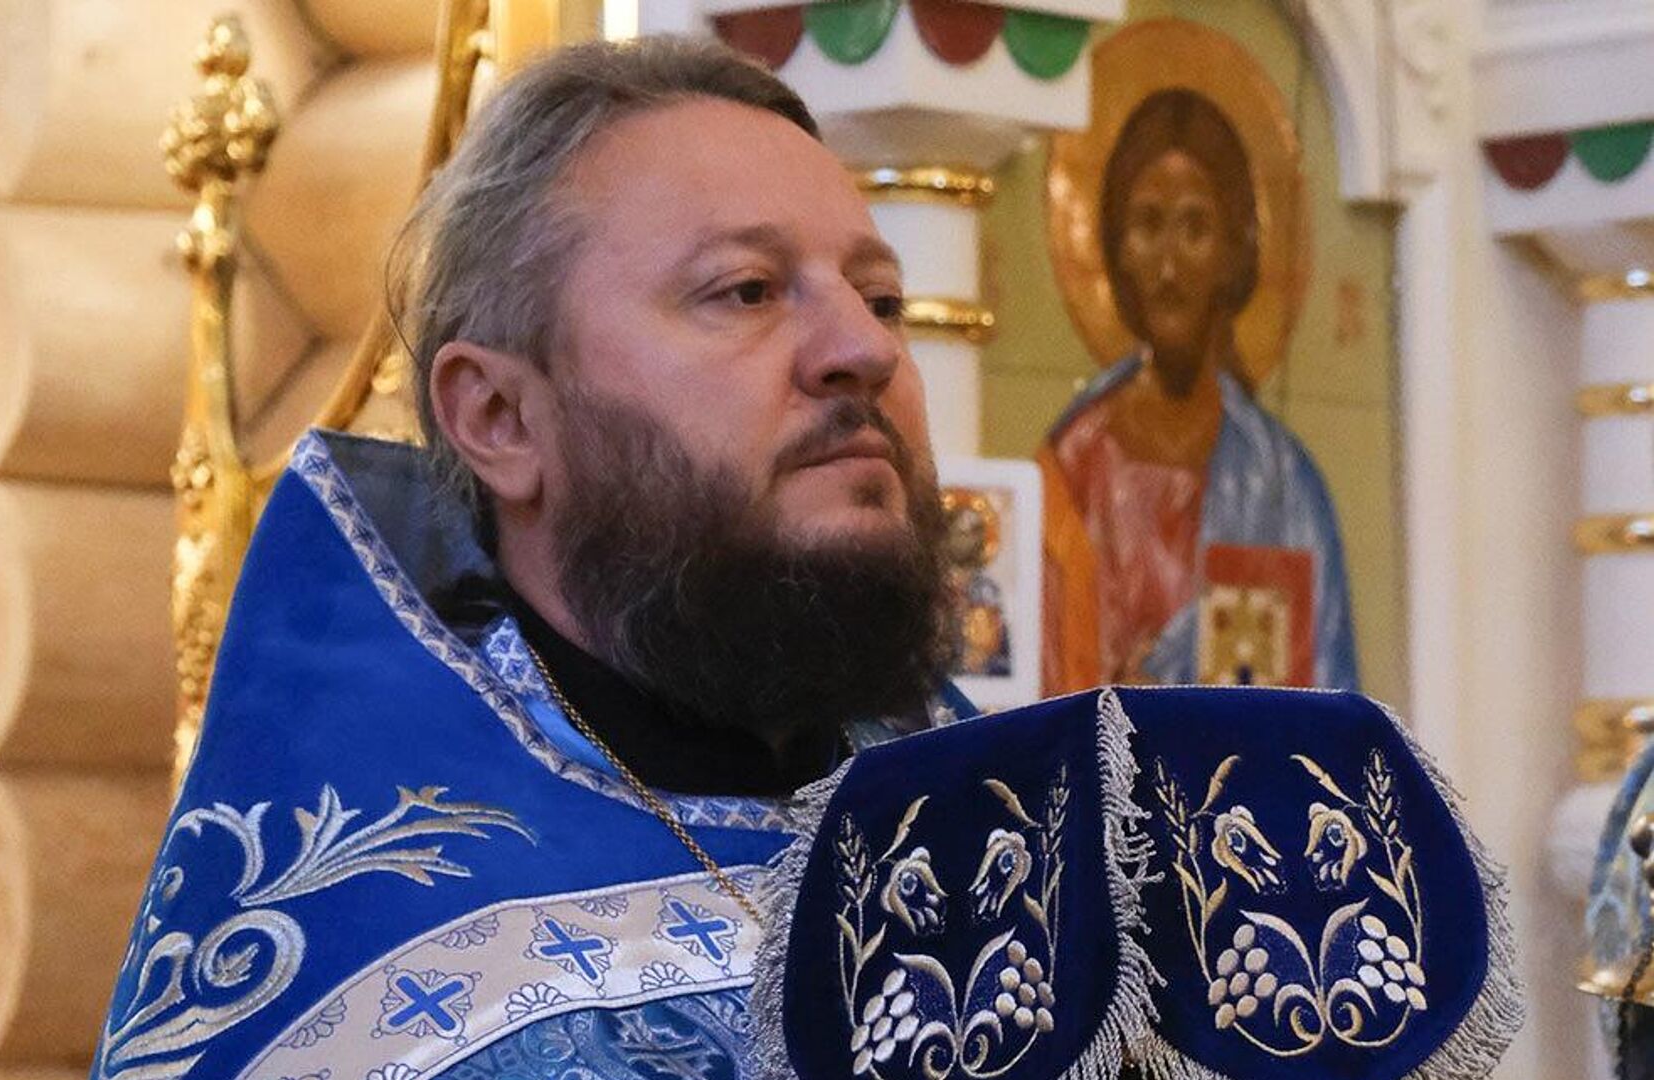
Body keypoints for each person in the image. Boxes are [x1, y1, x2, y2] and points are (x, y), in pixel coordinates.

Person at [89, 37, 966, 1080]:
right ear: (500, 417)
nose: (865, 351)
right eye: (746, 291)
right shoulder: (377, 987)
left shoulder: (992, 819)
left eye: (881, 300)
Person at [1040, 89, 1357, 696]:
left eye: (1195, 227)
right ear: (1115, 247)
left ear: (1233, 253)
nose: (1168, 266)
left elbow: (1330, 706)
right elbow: (1028, 695)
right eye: (1147, 224)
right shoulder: (1071, 472)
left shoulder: (1282, 485)